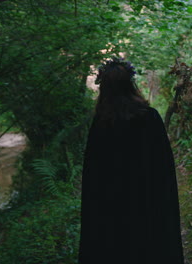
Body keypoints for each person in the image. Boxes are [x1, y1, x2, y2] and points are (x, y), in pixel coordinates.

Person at [78, 57, 185, 264]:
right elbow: (164, 172)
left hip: (111, 212)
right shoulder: (150, 118)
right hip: (147, 208)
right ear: (131, 84)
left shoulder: (101, 124)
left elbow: (93, 178)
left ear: (105, 88)